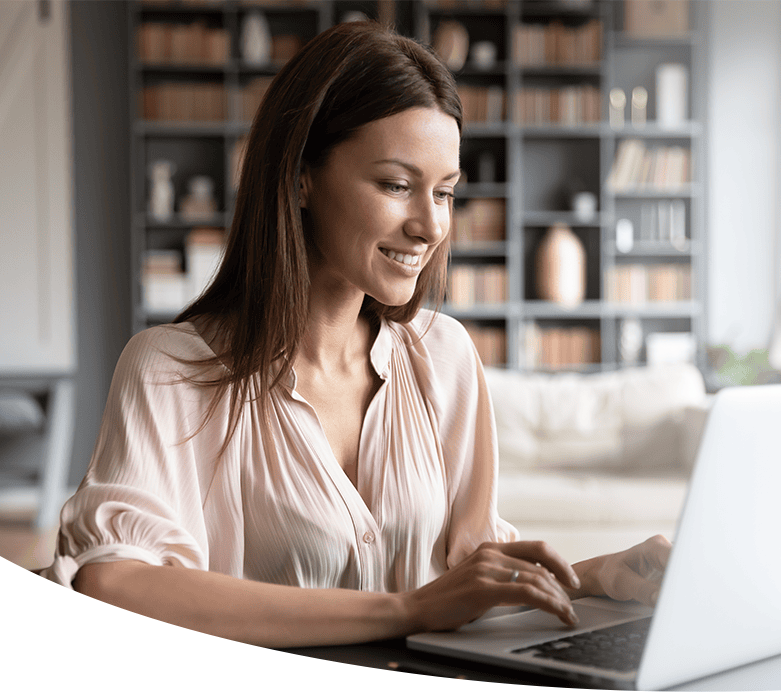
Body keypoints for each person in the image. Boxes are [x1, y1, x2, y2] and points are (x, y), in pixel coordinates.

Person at [43, 21, 670, 648]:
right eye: (397, 185)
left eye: (445, 193)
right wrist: (403, 611)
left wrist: (604, 575)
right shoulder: (170, 370)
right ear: (301, 178)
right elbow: (117, 586)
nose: (430, 226)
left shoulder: (444, 357)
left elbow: (464, 583)